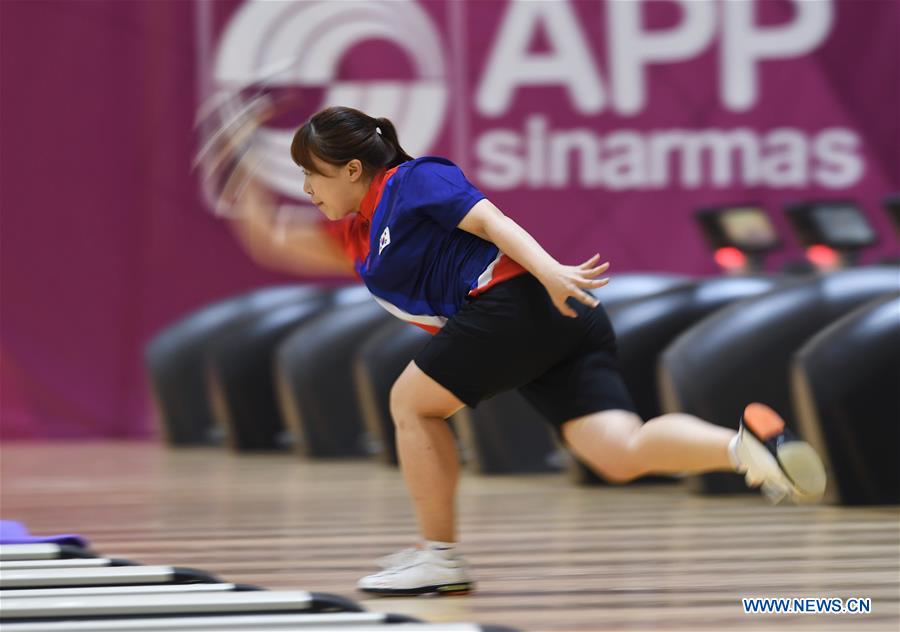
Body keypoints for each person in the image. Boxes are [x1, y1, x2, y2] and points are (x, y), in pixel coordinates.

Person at [222, 106, 827, 597]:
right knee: (618, 452)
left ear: (352, 168)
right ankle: (747, 448)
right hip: (548, 323)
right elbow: (271, 239)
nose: (304, 189)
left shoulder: (412, 180)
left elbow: (490, 220)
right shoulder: (357, 230)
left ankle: (440, 557)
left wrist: (550, 270)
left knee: (411, 403)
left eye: (312, 174)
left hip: (521, 302)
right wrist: (243, 159)